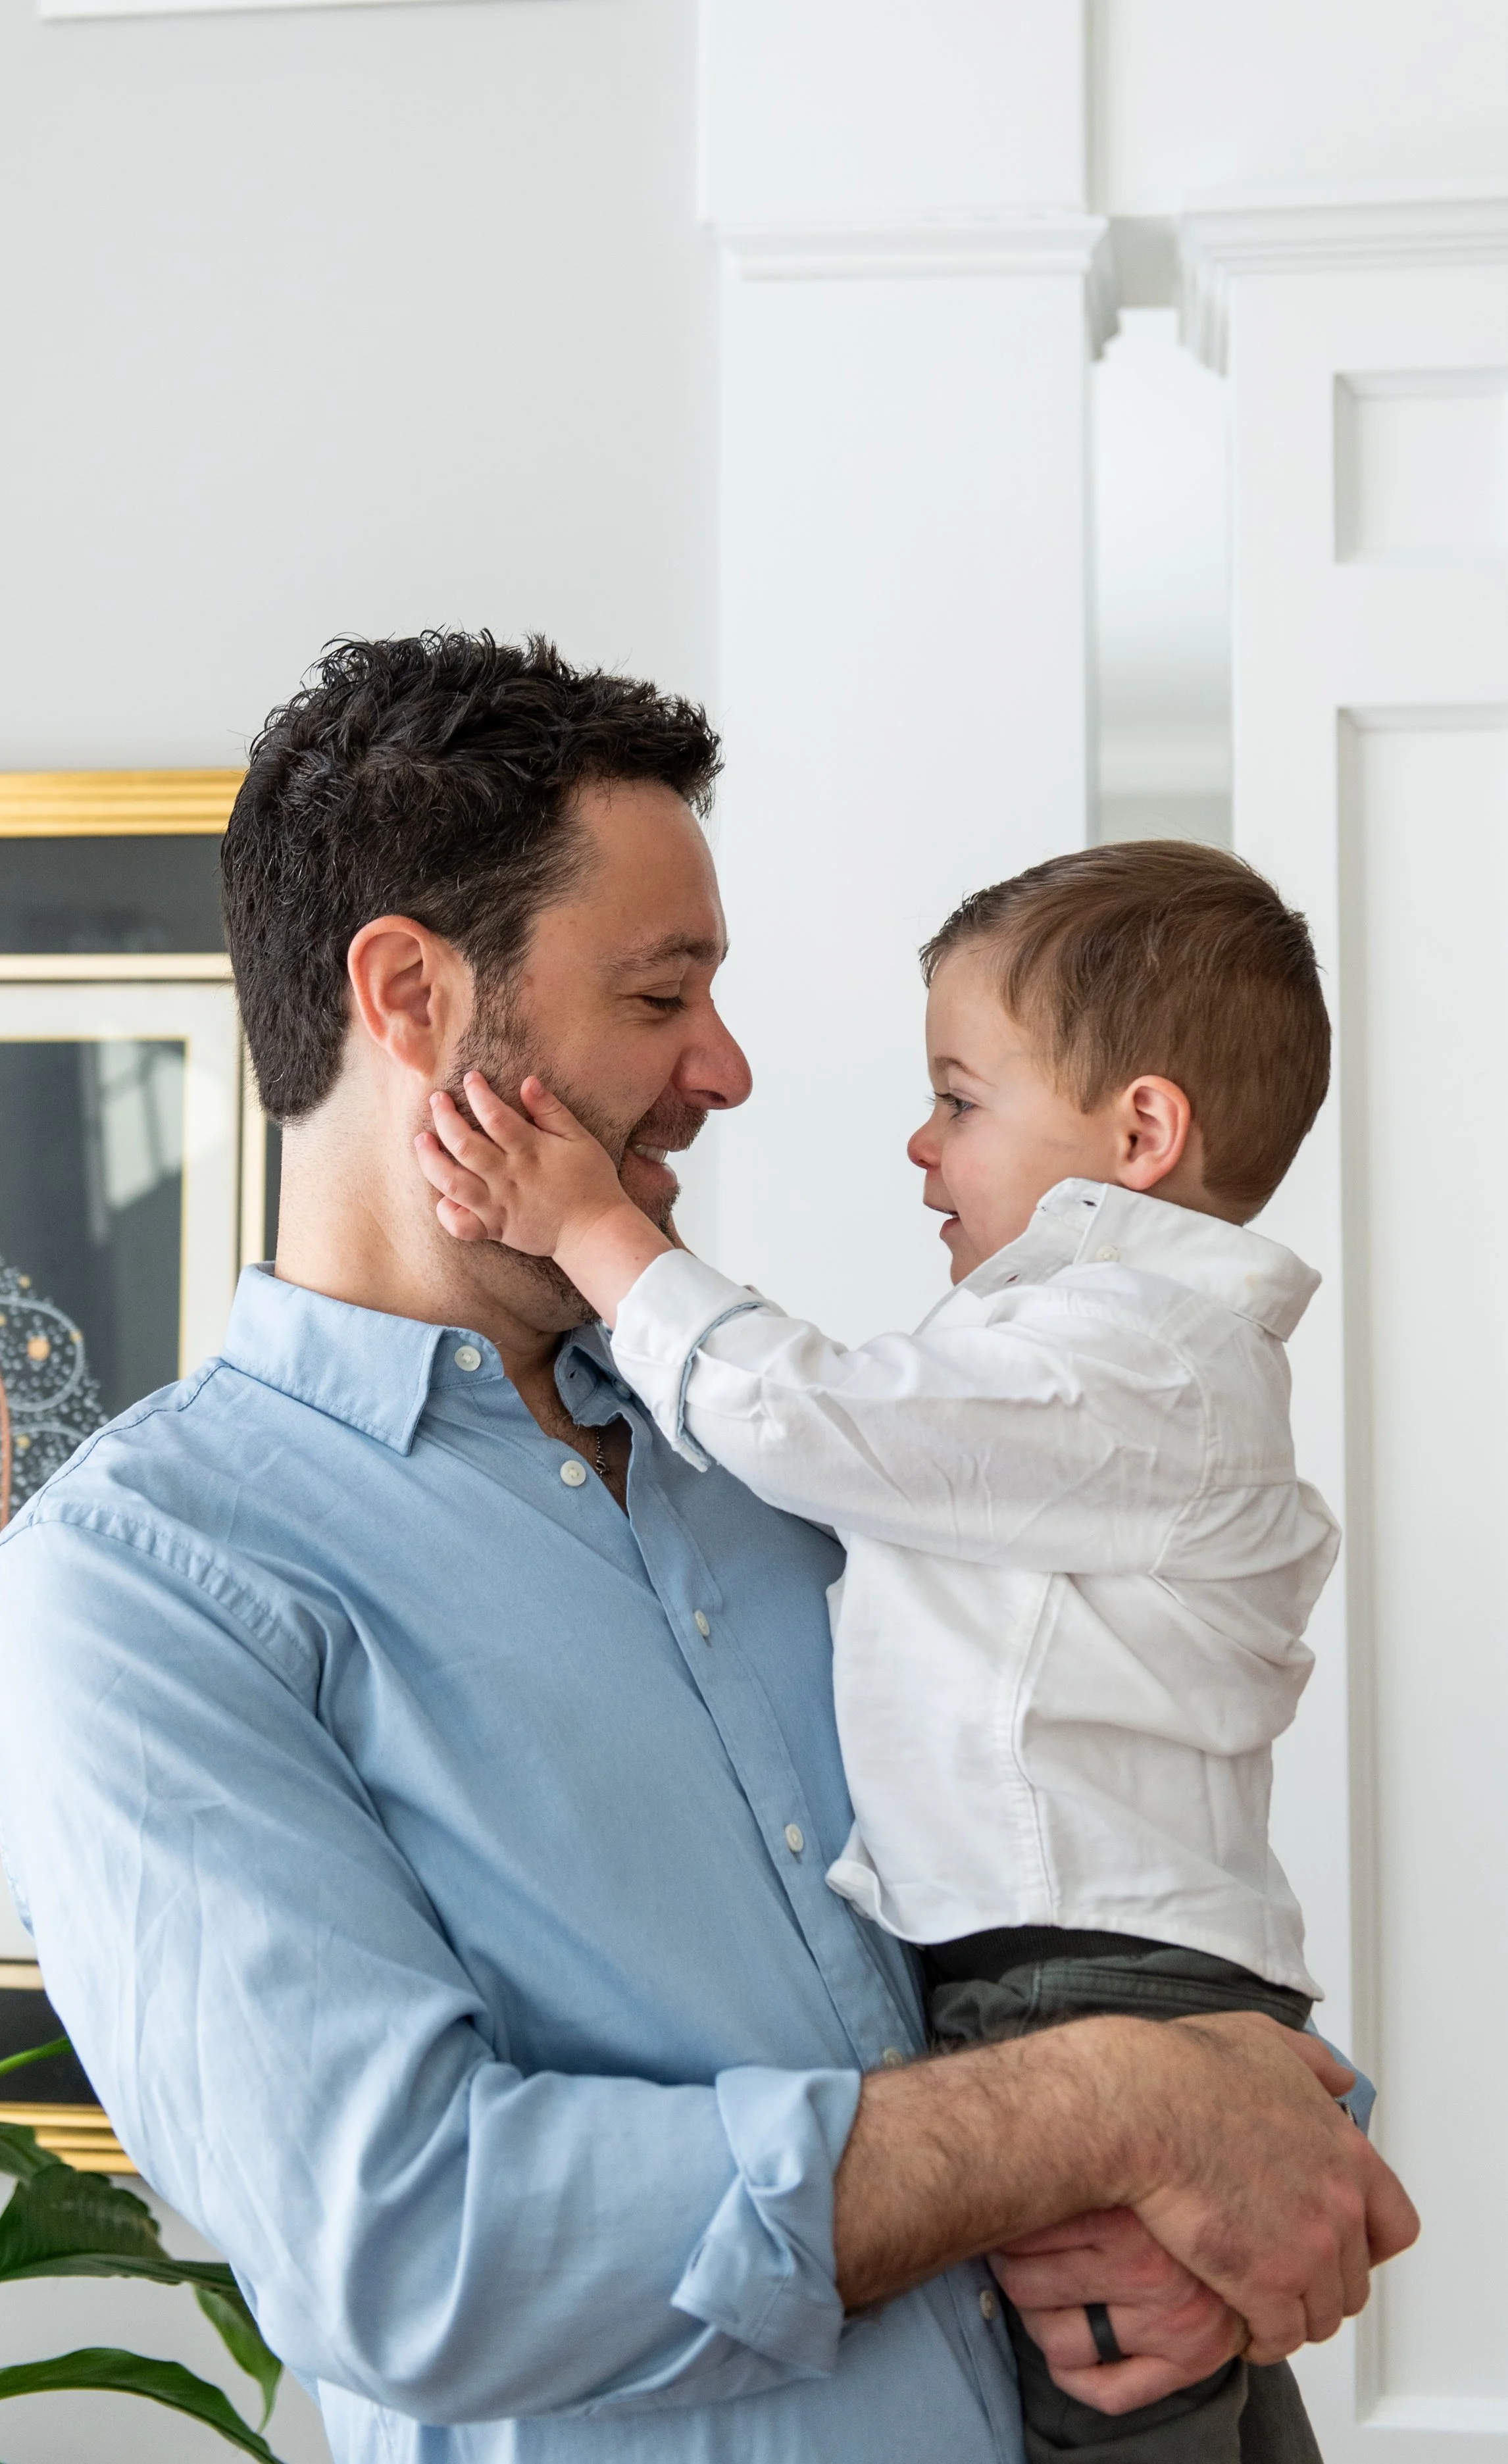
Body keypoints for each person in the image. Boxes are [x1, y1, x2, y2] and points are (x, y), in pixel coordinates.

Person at [0, 636, 1415, 2464]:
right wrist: (1121, 2108)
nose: (723, 1069)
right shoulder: (139, 1588)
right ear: (410, 995)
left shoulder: (790, 1457)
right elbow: (412, 2251)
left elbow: (1099, 1826)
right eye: (662, 995)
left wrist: (1251, 2144)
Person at [413, 838, 1349, 2461]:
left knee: (1116, 2403)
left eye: (959, 1101)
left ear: (1138, 1135)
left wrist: (586, 1228)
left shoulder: (1138, 1359)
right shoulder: (1084, 1356)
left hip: (1085, 1986)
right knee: (1180, 2398)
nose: (920, 1144)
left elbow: (804, 1415)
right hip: (1085, 1974)